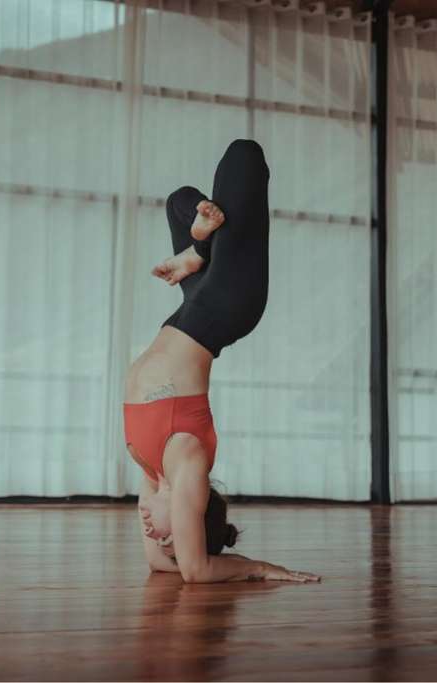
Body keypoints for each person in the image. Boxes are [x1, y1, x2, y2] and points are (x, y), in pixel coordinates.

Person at [122, 139, 320, 584]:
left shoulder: (153, 471)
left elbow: (159, 565)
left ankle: (199, 254)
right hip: (230, 307)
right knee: (243, 156)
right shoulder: (187, 464)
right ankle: (200, 253)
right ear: (190, 507)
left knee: (180, 200)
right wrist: (260, 568)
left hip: (193, 309)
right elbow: (195, 571)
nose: (154, 534)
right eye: (170, 537)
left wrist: (167, 541)